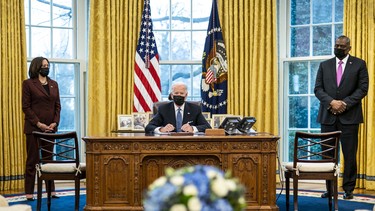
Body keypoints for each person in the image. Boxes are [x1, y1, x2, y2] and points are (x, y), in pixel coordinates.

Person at [314, 35, 369, 200]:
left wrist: (344, 103)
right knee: (327, 155)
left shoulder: (359, 64)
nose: (338, 48)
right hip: (327, 117)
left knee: (350, 154)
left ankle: (348, 190)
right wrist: (331, 102)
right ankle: (329, 189)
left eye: (342, 46)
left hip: (350, 117)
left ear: (349, 48)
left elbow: (363, 88)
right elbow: (318, 89)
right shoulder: (324, 65)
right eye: (336, 45)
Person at [22, 57, 61, 201]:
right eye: (44, 65)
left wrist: (55, 123)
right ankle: (29, 193)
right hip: (34, 128)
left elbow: (58, 106)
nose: (46, 67)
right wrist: (38, 124)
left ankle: (51, 191)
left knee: (49, 161)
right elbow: (26, 107)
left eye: (48, 65)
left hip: (50, 129)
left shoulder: (54, 84)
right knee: (32, 160)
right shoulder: (28, 84)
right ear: (37, 67)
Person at [145, 82, 211, 133]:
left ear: (186, 95)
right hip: (169, 142)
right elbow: (149, 127)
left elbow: (207, 127)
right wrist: (162, 129)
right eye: (176, 93)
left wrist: (192, 128)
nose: (179, 95)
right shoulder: (163, 109)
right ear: (172, 95)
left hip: (189, 142)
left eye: (181, 93)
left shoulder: (195, 109)